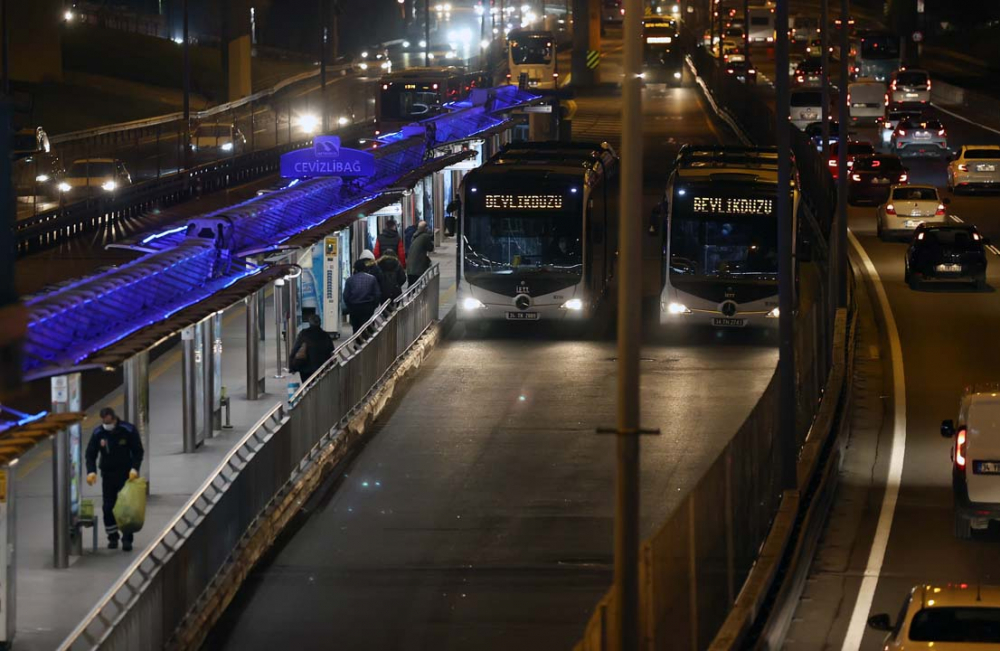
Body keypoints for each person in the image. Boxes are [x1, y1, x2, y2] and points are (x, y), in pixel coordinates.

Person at [85, 407, 144, 551]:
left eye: (108, 421)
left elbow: (138, 451)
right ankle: (112, 537)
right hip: (108, 475)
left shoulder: (128, 430)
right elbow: (90, 454)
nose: (106, 424)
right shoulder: (99, 433)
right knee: (107, 507)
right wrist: (91, 471)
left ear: (113, 417)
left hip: (126, 475)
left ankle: (127, 539)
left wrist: (134, 468)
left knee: (127, 509)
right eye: (103, 421)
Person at [288, 313, 335, 382]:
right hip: (321, 368)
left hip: (305, 368)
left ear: (309, 323)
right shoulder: (325, 335)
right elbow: (331, 351)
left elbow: (295, 349)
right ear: (320, 323)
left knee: (307, 386)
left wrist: (292, 367)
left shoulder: (303, 334)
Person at [343, 258, 383, 333]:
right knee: (368, 326)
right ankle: (368, 341)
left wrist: (349, 306)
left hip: (354, 307)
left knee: (356, 327)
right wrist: (374, 305)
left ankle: (357, 342)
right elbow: (377, 294)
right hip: (368, 307)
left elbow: (346, 296)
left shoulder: (350, 280)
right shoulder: (372, 279)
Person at [406, 220, 435, 286]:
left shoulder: (414, 236)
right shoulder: (425, 236)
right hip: (418, 269)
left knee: (411, 287)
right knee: (419, 287)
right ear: (425, 228)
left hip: (410, 268)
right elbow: (430, 248)